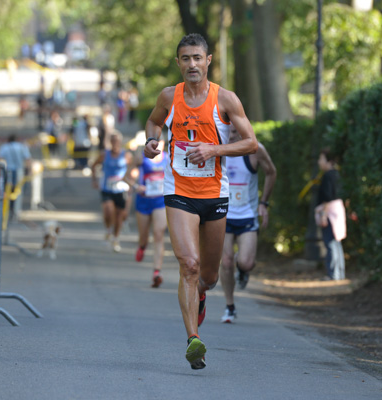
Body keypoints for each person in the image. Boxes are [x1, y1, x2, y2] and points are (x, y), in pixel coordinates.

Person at [143, 33, 258, 370]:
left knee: (207, 274)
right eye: (185, 58)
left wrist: (214, 149)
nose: (191, 64)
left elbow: (250, 142)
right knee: (188, 266)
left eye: (197, 57)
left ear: (208, 61)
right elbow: (153, 122)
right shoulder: (169, 97)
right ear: (178, 63)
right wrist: (152, 140)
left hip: (215, 195)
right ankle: (194, 339)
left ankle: (203, 294)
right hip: (178, 191)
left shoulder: (227, 100)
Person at [219, 126, 276, 323]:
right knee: (225, 262)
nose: (232, 136)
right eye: (229, 132)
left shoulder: (255, 150)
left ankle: (242, 269)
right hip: (223, 215)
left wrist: (264, 203)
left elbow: (271, 172)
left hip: (247, 215)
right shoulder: (217, 148)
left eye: (236, 132)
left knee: (246, 262)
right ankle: (230, 306)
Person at [126, 139, 168, 288]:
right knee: (144, 237)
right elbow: (127, 178)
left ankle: (157, 272)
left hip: (160, 202)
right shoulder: (141, 157)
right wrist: (137, 186)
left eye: (160, 141)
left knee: (158, 233)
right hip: (144, 201)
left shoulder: (168, 158)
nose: (157, 144)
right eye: (154, 141)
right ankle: (142, 246)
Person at [91, 132, 132, 252]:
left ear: (120, 142)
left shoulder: (126, 155)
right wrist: (94, 180)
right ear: (110, 142)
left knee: (119, 215)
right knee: (108, 210)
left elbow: (132, 169)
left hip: (121, 188)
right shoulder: (104, 155)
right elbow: (94, 165)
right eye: (112, 141)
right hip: (106, 188)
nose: (115, 143)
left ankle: (116, 238)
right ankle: (108, 229)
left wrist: (131, 182)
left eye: (117, 141)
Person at [314, 147, 346, 281]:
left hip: (330, 212)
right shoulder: (338, 174)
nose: (319, 162)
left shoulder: (327, 176)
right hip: (338, 211)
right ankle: (339, 273)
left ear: (329, 161)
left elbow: (327, 197)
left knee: (330, 243)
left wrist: (323, 214)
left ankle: (333, 274)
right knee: (336, 243)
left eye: (321, 159)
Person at [0, 134, 32, 218]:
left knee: (6, 191)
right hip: (19, 171)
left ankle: (6, 210)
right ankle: (16, 211)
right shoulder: (22, 147)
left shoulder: (5, 147)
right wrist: (29, 170)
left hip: (8, 170)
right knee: (18, 191)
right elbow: (28, 159)